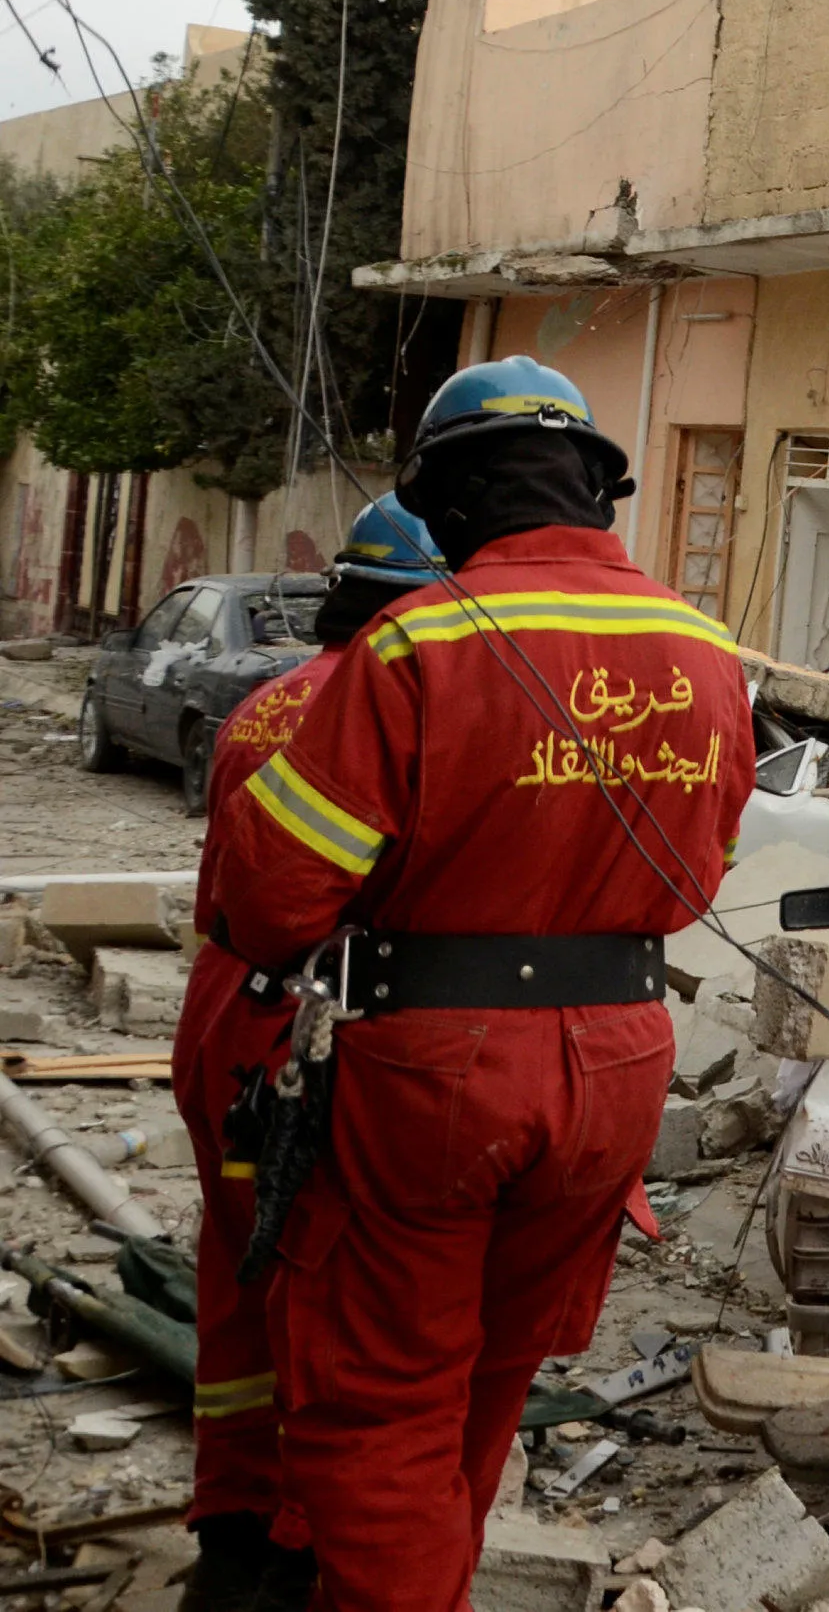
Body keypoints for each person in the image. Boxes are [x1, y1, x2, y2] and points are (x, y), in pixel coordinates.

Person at [217, 358, 749, 1612]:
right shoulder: (702, 645)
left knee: (378, 1403)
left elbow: (273, 901)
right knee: (491, 1381)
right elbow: (707, 865)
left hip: (435, 1074)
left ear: (451, 502)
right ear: (592, 494)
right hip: (619, 1066)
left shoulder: (412, 642)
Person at [171, 496, 446, 1612]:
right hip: (315, 1040)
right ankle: (297, 1546)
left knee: (238, 1283)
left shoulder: (265, 709)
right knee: (323, 1299)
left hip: (222, 1019)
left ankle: (231, 1527)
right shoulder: (413, 711)